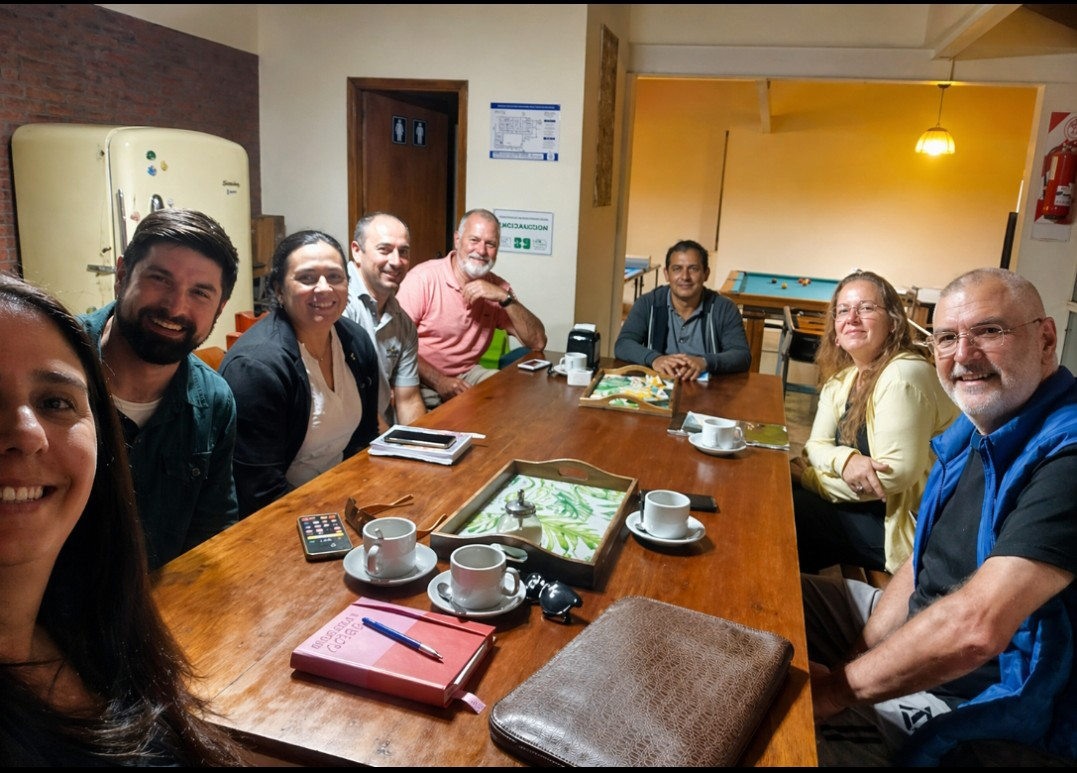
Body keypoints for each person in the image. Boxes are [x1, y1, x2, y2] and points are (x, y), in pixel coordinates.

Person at [805, 268, 1077, 766]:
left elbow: (975, 629)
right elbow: (919, 566)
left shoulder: (1067, 453)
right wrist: (855, 660)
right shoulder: (977, 429)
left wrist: (833, 694)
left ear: (1045, 339)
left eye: (989, 331)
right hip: (923, 625)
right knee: (776, 597)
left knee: (786, 740)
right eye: (948, 338)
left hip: (981, 697)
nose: (964, 355)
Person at [0, 274, 243, 765]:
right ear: (122, 277)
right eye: (160, 278)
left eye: (54, 402)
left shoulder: (97, 618)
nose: (27, 434)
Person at [79, 208, 239, 569]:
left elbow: (213, 533)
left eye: (199, 293)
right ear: (122, 275)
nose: (175, 306)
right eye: (160, 279)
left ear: (219, 308)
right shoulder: (51, 364)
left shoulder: (215, 402)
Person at [790, 271, 958, 574]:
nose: (852, 318)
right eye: (843, 310)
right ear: (835, 331)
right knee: (783, 495)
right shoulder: (843, 380)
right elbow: (814, 446)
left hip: (906, 527)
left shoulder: (903, 375)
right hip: (866, 506)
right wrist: (845, 460)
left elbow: (892, 477)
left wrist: (811, 480)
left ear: (893, 322)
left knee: (793, 513)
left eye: (866, 308)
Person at [220, 230, 379, 517]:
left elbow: (365, 438)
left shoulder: (355, 340)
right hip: (279, 515)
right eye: (307, 278)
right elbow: (259, 491)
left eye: (335, 276)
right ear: (279, 289)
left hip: (340, 495)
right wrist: (331, 517)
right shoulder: (257, 368)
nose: (324, 288)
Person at [396, 209, 547, 408]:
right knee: (434, 416)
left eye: (490, 244)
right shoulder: (422, 279)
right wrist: (439, 381)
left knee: (508, 393)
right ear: (457, 240)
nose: (482, 251)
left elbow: (538, 342)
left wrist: (505, 298)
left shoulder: (498, 287)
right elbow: (396, 346)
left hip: (467, 374)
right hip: (419, 375)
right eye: (474, 240)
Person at [614, 239, 750, 380]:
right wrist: (655, 359)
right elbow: (623, 344)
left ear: (706, 274)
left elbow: (741, 355)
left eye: (693, 269)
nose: (685, 277)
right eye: (677, 269)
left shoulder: (724, 308)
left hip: (710, 389)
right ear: (667, 274)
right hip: (657, 386)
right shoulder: (648, 303)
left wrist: (704, 362)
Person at [343, 212, 425, 427]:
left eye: (403, 251)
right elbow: (351, 399)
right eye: (384, 250)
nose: (396, 261)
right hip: (341, 435)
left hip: (377, 430)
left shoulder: (403, 323)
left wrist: (420, 441)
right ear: (357, 251)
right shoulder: (337, 304)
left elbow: (408, 399)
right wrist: (389, 443)